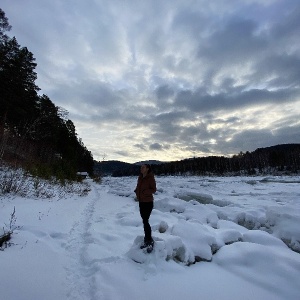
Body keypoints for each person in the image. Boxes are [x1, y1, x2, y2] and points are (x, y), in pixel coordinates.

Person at [134, 164, 156, 250]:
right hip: (141, 202)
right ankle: (147, 238)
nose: (141, 169)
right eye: (141, 167)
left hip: (148, 202)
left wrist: (144, 192)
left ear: (147, 169)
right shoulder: (140, 177)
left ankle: (148, 240)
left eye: (143, 167)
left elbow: (153, 189)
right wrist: (137, 192)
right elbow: (138, 186)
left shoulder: (150, 178)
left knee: (145, 221)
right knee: (144, 220)